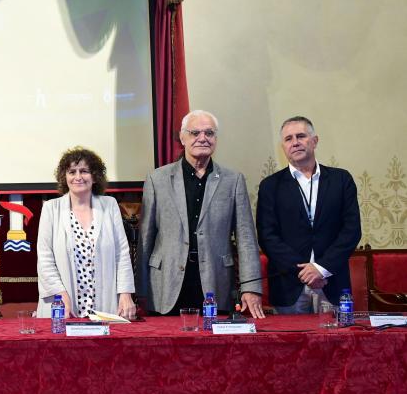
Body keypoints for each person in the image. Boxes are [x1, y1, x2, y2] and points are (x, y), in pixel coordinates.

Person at [138, 110, 265, 318]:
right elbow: (145, 238)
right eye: (195, 132)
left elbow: (246, 239)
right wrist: (140, 289)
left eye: (209, 133)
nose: (202, 138)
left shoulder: (233, 180)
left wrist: (251, 287)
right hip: (165, 283)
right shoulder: (157, 179)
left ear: (216, 139)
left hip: (216, 281)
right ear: (182, 138)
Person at [256, 116, 361, 314]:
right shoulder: (270, 186)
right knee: (291, 336)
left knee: (338, 336)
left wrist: (321, 269)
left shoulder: (341, 180)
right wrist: (305, 272)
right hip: (289, 286)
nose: (295, 142)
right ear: (283, 146)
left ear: (314, 141)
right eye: (288, 139)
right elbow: (267, 236)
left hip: (332, 282)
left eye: (301, 136)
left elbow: (351, 230)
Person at [36, 147, 137, 320]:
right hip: (64, 305)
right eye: (72, 172)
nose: (78, 177)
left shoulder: (110, 205)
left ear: (95, 176)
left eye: (84, 171)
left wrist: (125, 293)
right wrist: (60, 295)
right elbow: (45, 258)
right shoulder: (51, 208)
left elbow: (121, 253)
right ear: (64, 177)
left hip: (104, 306)